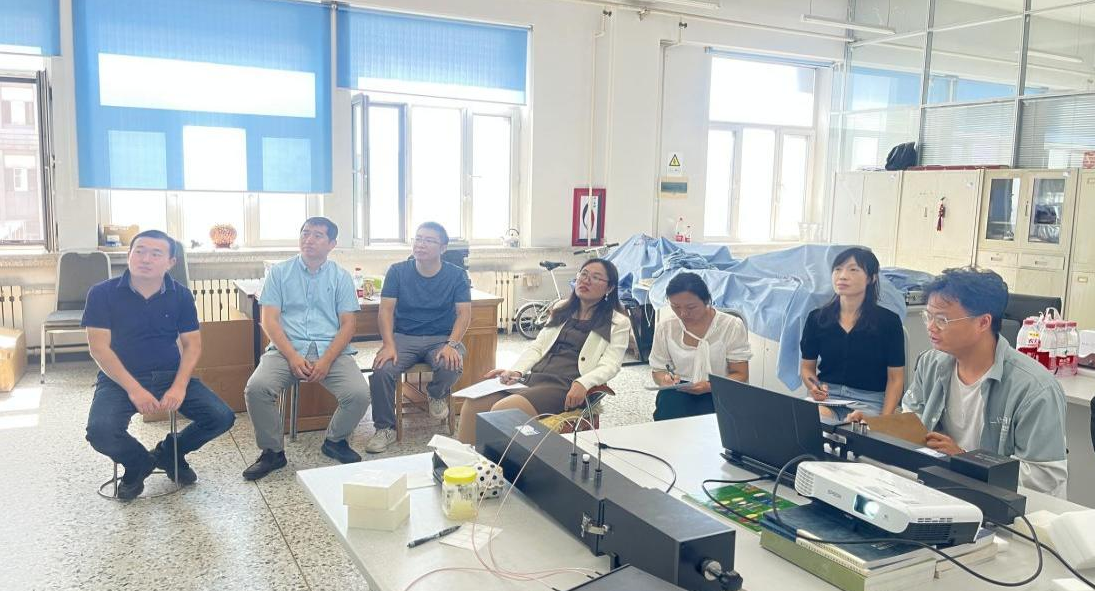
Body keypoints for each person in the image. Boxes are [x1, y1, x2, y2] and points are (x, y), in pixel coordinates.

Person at [83, 230, 235, 499]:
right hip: (119, 380)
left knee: (221, 416)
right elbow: (99, 348)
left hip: (169, 374)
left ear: (170, 262)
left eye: (156, 254)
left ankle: (170, 453)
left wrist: (179, 386)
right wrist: (134, 390)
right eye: (139, 251)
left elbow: (192, 345)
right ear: (129, 255)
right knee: (100, 431)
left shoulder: (181, 295)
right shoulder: (101, 293)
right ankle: (138, 462)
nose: (146, 259)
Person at [901, 267, 1068, 496]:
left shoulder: (1034, 388)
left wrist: (965, 460)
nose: (931, 327)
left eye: (942, 319)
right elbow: (911, 420)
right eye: (928, 316)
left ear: (983, 322)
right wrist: (873, 427)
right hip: (946, 488)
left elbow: (1044, 476)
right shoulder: (931, 363)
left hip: (1011, 504)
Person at [242, 217, 371, 481]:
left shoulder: (341, 277)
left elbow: (348, 325)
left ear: (332, 244)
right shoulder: (280, 273)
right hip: (286, 349)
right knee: (257, 389)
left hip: (330, 350)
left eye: (317, 235)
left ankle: (335, 440)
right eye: (305, 233)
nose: (308, 239)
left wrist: (326, 360)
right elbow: (269, 320)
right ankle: (272, 451)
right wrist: (292, 356)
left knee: (359, 394)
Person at [457, 258, 630, 445]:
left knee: (503, 410)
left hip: (567, 385)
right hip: (536, 377)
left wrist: (583, 383)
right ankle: (464, 461)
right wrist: (516, 371)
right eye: (584, 274)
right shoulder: (561, 308)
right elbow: (538, 347)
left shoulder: (617, 322)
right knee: (473, 404)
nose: (586, 281)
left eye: (595, 277)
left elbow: (611, 365)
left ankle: (495, 462)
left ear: (609, 288)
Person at [367, 222, 471, 453]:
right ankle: (385, 428)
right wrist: (388, 345)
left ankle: (435, 394)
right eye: (418, 238)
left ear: (443, 248)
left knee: (452, 362)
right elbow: (385, 311)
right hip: (404, 337)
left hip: (441, 337)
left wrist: (451, 344)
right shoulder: (397, 271)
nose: (421, 244)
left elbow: (464, 314)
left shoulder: (457, 275)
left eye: (429, 240)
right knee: (382, 369)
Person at [800, 247, 905, 420]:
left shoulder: (889, 322)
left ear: (871, 278)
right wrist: (815, 386)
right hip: (829, 398)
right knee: (808, 420)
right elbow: (807, 368)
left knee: (855, 429)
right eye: (837, 269)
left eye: (853, 270)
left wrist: (884, 422)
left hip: (870, 402)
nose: (842, 276)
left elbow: (895, 379)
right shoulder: (817, 318)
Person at [648, 272, 751, 421]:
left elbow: (740, 374)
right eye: (675, 307)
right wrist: (665, 380)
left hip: (719, 388)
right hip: (679, 388)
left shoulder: (731, 326)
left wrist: (709, 386)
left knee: (713, 418)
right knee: (669, 407)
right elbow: (658, 370)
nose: (683, 313)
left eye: (691, 307)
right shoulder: (666, 327)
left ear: (706, 300)